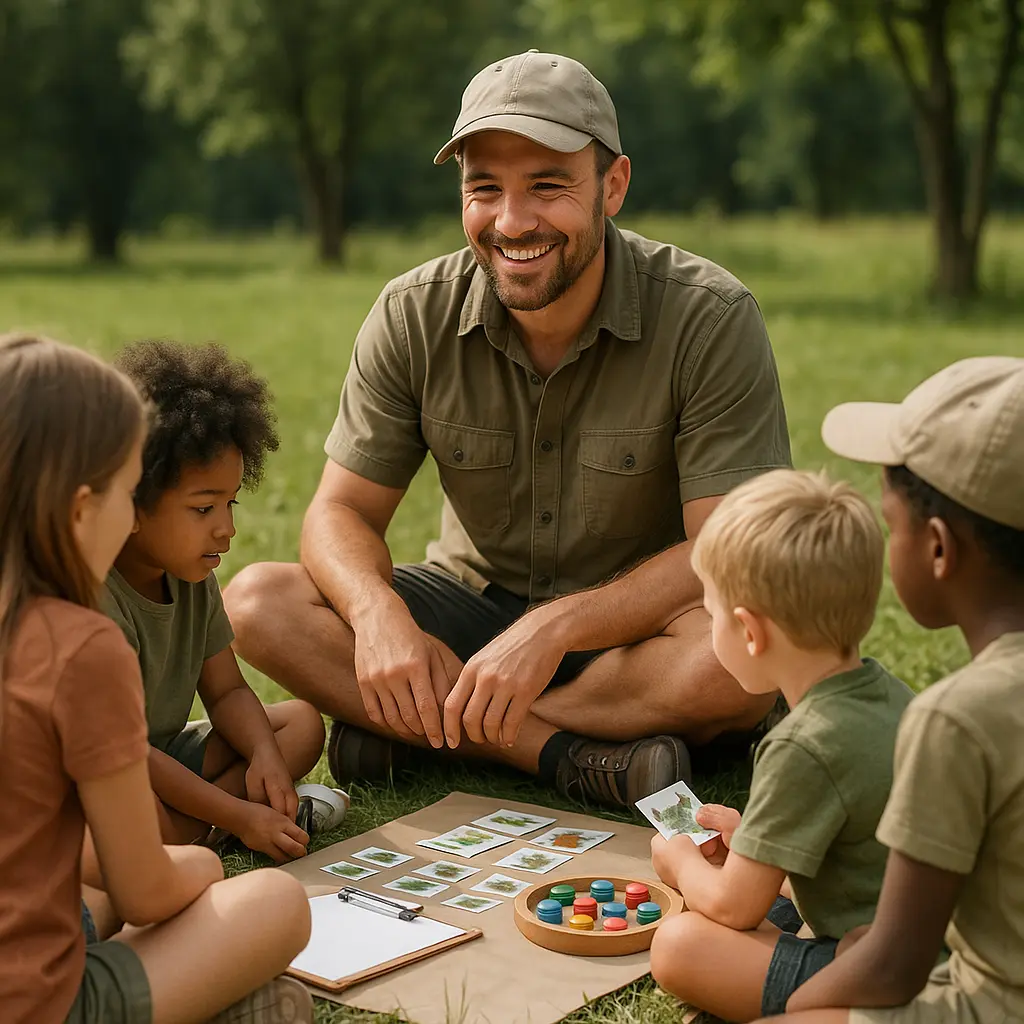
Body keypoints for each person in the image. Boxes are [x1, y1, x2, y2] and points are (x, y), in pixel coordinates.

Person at [224, 49, 792, 810]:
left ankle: (429, 730)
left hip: (638, 637)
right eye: (484, 189)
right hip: (469, 607)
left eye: (548, 187)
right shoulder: (412, 312)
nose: (511, 222)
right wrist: (378, 614)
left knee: (736, 657)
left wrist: (557, 628)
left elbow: (725, 554)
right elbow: (339, 513)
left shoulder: (709, 317)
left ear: (613, 185)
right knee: (259, 603)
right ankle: (573, 758)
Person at [0, 334, 312, 1024]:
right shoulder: (79, 642)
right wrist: (202, 861)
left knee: (96, 884)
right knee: (274, 903)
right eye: (126, 486)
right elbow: (148, 893)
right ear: (85, 507)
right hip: (39, 1003)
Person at [753, 356, 1024, 1024]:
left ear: (937, 548)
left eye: (888, 522)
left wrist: (784, 1015)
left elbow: (894, 967)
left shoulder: (958, 718)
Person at [646, 470, 913, 1021]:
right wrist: (755, 841)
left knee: (680, 944)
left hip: (886, 972)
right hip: (919, 940)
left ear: (750, 631)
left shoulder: (800, 744)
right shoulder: (894, 697)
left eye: (712, 616)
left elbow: (733, 907)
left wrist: (679, 863)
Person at [103, 340, 329, 862]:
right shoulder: (96, 599)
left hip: (163, 757)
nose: (226, 529)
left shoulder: (192, 577)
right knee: (137, 815)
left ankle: (198, 830)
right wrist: (239, 814)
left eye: (229, 503)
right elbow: (126, 754)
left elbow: (226, 693)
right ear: (132, 502)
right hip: (113, 768)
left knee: (299, 724)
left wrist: (264, 755)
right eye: (203, 508)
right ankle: (215, 828)